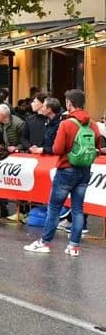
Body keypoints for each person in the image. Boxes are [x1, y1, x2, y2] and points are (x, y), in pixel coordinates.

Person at [24, 89, 104, 257]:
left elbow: (57, 149)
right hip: (84, 170)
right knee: (78, 209)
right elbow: (97, 146)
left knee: (54, 208)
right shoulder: (93, 124)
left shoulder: (66, 123)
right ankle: (73, 246)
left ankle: (45, 242)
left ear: (69, 103)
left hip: (66, 169)